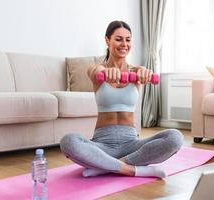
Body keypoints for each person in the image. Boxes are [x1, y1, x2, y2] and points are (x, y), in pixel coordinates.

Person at [60, 20, 184, 178]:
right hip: (102, 145)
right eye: (118, 39)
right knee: (68, 141)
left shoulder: (136, 72)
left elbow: (142, 70)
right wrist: (105, 71)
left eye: (128, 39)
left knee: (175, 138)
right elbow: (94, 71)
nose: (124, 44)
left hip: (132, 144)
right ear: (107, 40)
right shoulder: (97, 70)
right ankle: (131, 169)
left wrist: (145, 71)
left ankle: (104, 166)